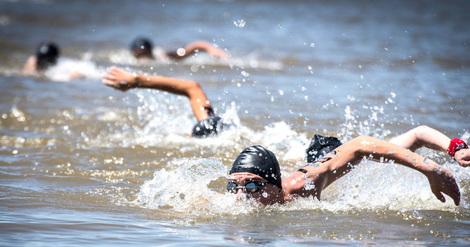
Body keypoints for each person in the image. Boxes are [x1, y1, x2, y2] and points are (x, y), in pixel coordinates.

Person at [228, 125, 469, 206]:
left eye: (252, 186)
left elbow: (361, 144)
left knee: (387, 152)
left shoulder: (302, 185)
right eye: (234, 186)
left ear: (276, 185)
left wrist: (441, 161)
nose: (240, 197)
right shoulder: (235, 198)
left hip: (327, 159)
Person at [102, 67, 228, 137]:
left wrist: (137, 80)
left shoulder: (204, 128)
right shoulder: (210, 125)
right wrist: (136, 80)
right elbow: (192, 87)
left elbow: (192, 87)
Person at [130, 37, 228, 61]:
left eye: (144, 54)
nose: (142, 58)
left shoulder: (162, 56)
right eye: (138, 55)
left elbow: (193, 47)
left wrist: (211, 48)